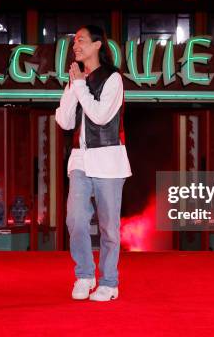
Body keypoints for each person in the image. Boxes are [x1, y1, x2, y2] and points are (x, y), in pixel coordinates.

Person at [55, 24, 131, 302]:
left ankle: (109, 281)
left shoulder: (113, 78)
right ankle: (85, 275)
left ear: (98, 45)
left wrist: (79, 87)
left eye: (82, 40)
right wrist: (73, 88)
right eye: (74, 41)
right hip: (80, 159)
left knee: (109, 226)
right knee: (75, 219)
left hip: (109, 159)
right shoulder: (76, 79)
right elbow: (64, 121)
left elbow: (100, 116)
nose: (76, 45)